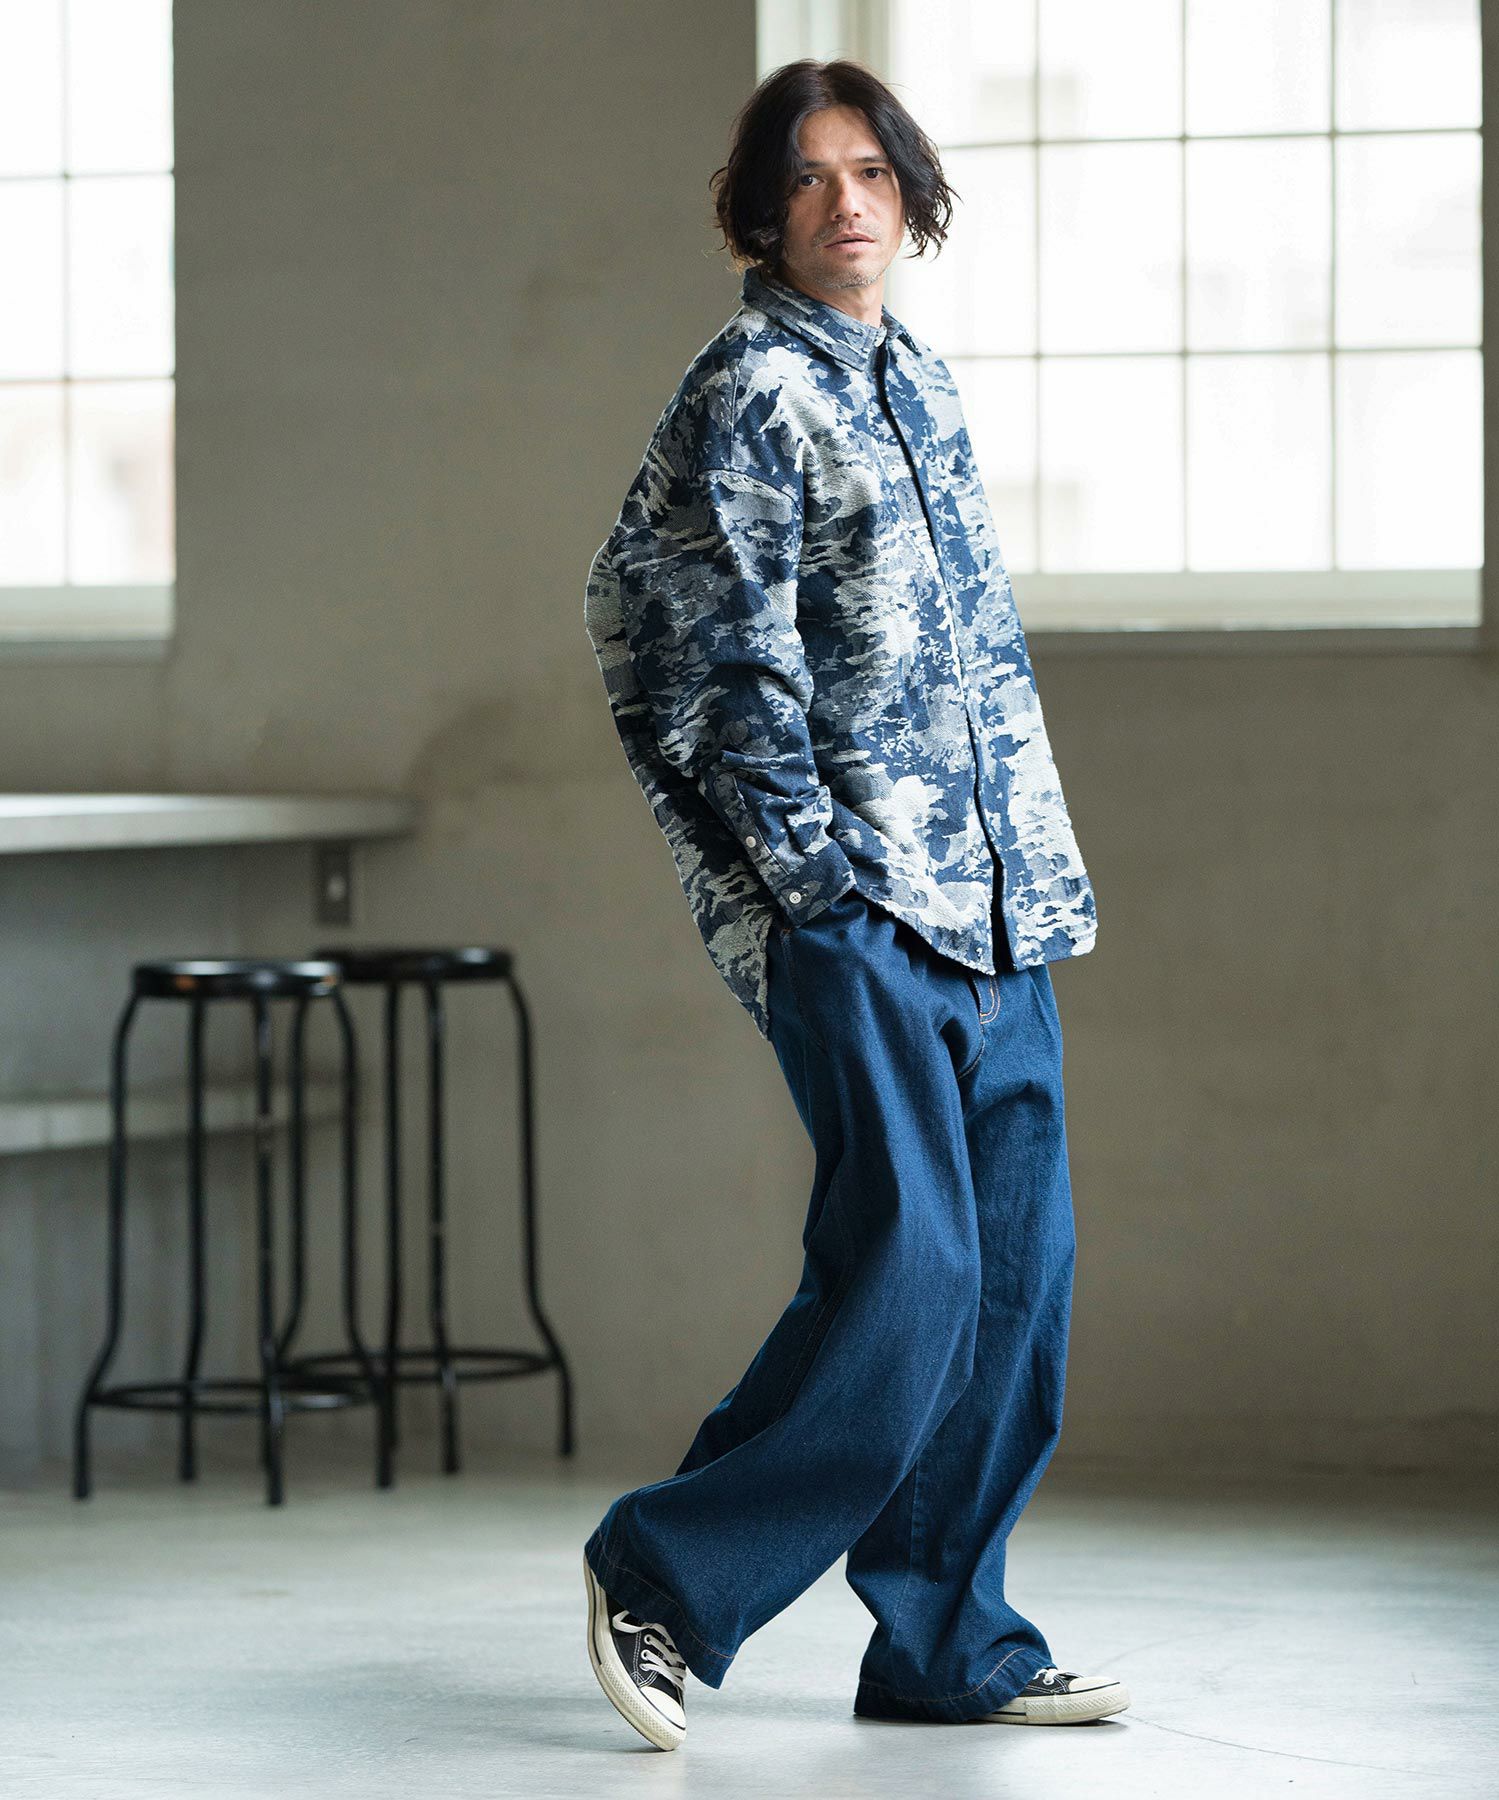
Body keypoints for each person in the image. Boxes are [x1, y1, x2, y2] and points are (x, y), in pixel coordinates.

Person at [579, 57, 1128, 1751]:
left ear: (909, 192)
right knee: (912, 1271)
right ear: (765, 208)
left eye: (872, 171)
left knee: (1015, 1279)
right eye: (810, 177)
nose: (847, 203)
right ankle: (663, 1577)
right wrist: (811, 885)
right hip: (862, 907)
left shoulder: (918, 378)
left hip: (1002, 904)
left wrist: (1026, 876)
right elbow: (710, 650)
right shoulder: (749, 388)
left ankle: (947, 1642)